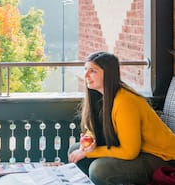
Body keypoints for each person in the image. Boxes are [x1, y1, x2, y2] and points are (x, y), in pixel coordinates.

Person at [68, 51, 175, 185]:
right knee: (75, 150)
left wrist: (89, 153)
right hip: (141, 153)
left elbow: (130, 152)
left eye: (93, 71)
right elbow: (95, 128)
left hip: (163, 158)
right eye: (85, 69)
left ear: (108, 74)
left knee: (99, 170)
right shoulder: (100, 96)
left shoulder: (125, 101)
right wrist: (89, 142)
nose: (86, 75)